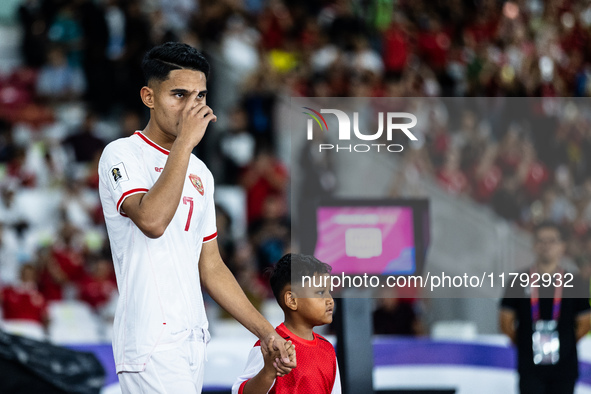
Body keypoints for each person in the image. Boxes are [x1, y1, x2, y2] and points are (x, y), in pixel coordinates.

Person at [98, 42, 295, 394]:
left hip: (193, 338)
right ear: (149, 96)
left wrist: (268, 332)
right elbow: (152, 221)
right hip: (149, 339)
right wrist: (185, 144)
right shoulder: (122, 153)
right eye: (179, 94)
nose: (192, 106)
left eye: (200, 96)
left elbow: (213, 267)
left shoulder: (201, 171)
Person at [499, 222, 591, 394]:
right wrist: (525, 341)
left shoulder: (575, 282)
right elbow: (505, 321)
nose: (546, 246)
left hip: (564, 367)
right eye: (541, 241)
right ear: (534, 245)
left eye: (552, 241)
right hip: (530, 366)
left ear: (562, 246)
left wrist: (565, 340)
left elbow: (585, 322)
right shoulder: (518, 281)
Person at [232, 253, 342, 394]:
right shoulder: (270, 347)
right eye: (320, 292)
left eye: (329, 292)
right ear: (292, 300)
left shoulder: (328, 350)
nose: (330, 300)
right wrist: (267, 372)